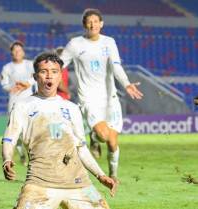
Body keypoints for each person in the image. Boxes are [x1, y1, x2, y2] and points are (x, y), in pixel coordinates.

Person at [1, 51, 116, 209]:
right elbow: (9, 138)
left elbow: (81, 148)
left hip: (79, 182)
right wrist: (7, 159)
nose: (49, 75)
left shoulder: (71, 108)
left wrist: (101, 176)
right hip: (39, 181)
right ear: (35, 76)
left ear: (59, 75)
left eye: (54, 71)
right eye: (44, 71)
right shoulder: (23, 105)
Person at [60, 8, 143, 183]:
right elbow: (58, 65)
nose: (93, 24)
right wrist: (35, 79)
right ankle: (95, 137)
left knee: (112, 142)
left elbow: (116, 66)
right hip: (88, 98)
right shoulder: (75, 44)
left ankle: (113, 175)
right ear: (84, 24)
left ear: (101, 24)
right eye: (89, 22)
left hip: (110, 98)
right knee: (104, 135)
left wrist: (126, 84)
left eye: (96, 21)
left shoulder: (109, 42)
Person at [0, 41, 36, 165]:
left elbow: (37, 77)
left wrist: (27, 83)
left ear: (23, 52)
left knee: (30, 131)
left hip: (30, 102)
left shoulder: (30, 64)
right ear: (11, 53)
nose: (17, 53)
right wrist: (13, 86)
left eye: (19, 50)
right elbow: (4, 84)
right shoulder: (7, 68)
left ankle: (32, 155)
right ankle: (21, 154)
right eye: (14, 51)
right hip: (14, 102)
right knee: (16, 130)